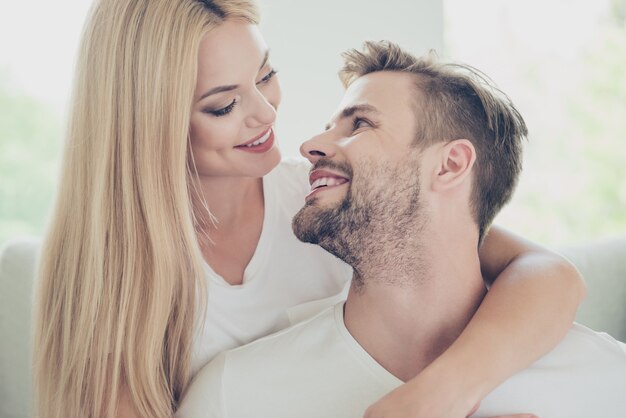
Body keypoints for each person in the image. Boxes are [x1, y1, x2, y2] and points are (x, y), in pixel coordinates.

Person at [32, 1, 586, 418]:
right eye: (223, 104)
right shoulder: (110, 276)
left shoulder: (328, 205)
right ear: (145, 124)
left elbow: (547, 274)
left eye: (266, 75)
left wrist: (432, 399)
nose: (265, 112)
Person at [175, 40, 626, 418]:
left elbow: (550, 270)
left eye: (360, 123)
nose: (308, 144)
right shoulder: (232, 394)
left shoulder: (605, 382)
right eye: (222, 104)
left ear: (450, 165)